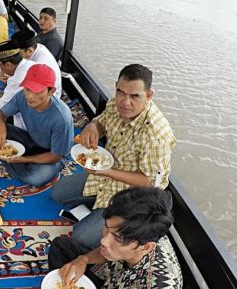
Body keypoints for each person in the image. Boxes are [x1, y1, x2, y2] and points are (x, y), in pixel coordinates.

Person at [52, 64, 175, 249]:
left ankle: (106, 212)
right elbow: (101, 121)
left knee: (81, 238)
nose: (125, 102)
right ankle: (99, 207)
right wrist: (93, 127)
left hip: (132, 198)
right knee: (58, 193)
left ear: (149, 96)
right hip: (105, 177)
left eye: (135, 96)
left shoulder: (157, 134)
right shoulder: (114, 104)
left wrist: (108, 172)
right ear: (117, 86)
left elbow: (151, 183)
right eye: (121, 92)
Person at [48, 187, 182, 289]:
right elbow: (105, 251)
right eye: (106, 228)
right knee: (60, 246)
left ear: (145, 247)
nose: (103, 240)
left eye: (117, 238)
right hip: (107, 279)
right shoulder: (127, 239)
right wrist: (83, 260)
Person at [0, 64, 73, 187]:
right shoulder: (21, 96)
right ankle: (15, 161)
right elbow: (0, 114)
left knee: (35, 178)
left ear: (51, 91)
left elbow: (56, 156)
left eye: (37, 91)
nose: (30, 96)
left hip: (52, 153)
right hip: (31, 140)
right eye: (27, 89)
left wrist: (24, 159)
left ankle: (13, 161)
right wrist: (1, 125)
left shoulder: (61, 118)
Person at [14, 29, 62, 96]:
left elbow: (20, 87)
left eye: (18, 52)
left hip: (48, 97)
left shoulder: (38, 64)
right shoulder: (38, 46)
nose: (16, 55)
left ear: (29, 51)